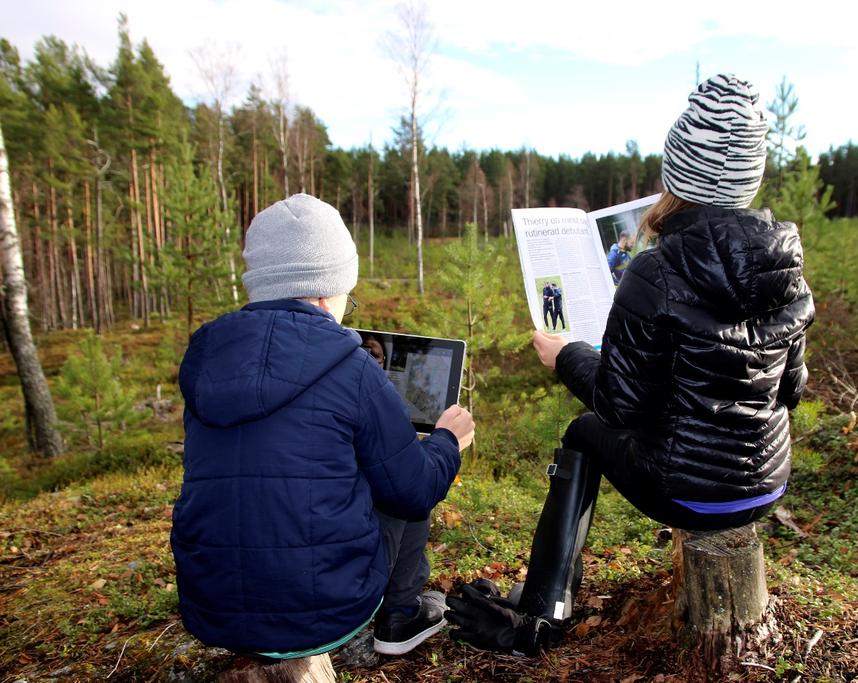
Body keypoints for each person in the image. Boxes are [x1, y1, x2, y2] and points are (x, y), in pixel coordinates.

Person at [445, 74, 814, 654]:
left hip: (687, 489)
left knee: (583, 432)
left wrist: (568, 356)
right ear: (749, 178)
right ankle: (543, 602)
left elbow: (620, 406)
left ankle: (542, 614)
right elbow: (789, 389)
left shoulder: (657, 270)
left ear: (679, 173)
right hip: (766, 483)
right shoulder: (783, 266)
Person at [171, 193, 474, 661]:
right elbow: (413, 490)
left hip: (211, 610)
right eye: (344, 296)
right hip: (323, 611)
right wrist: (448, 441)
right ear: (323, 289)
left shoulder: (209, 360)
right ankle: (401, 615)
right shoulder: (352, 367)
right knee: (407, 476)